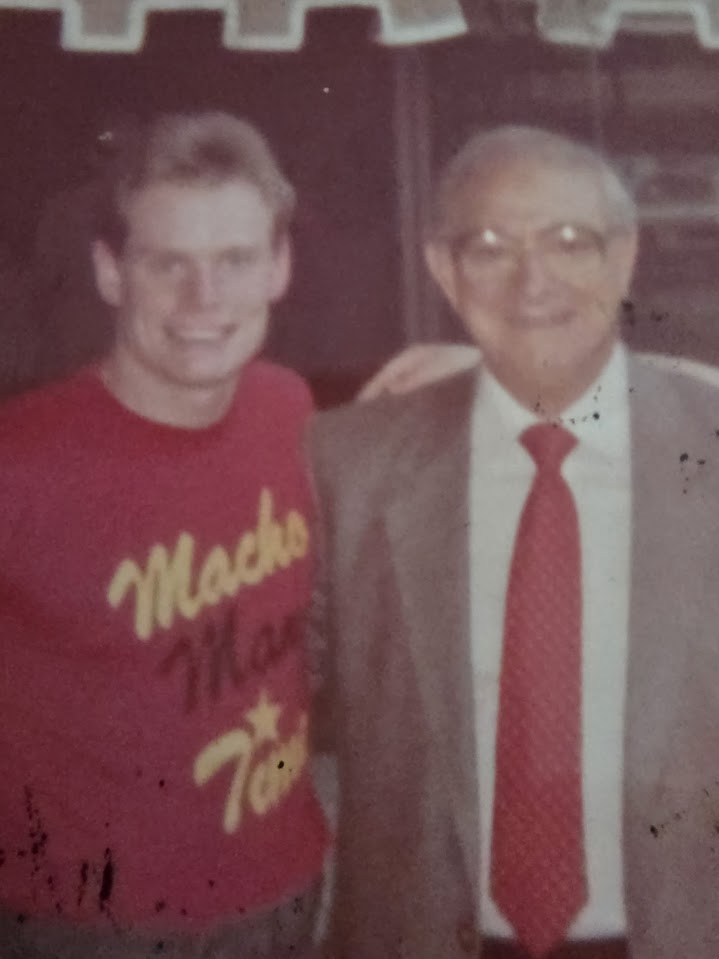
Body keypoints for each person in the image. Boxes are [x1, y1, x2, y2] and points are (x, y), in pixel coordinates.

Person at [308, 126, 719, 959]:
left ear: (623, 255)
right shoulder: (346, 463)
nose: (533, 281)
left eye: (569, 240)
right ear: (442, 267)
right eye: (491, 247)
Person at [0, 111, 330, 958]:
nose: (203, 299)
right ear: (110, 272)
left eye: (235, 260)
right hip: (91, 928)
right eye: (167, 263)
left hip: (284, 892)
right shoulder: (20, 461)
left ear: (279, 268)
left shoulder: (289, 408)